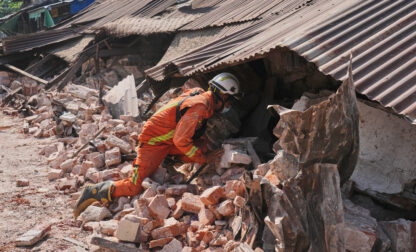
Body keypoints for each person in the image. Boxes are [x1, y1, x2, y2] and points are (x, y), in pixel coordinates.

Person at [73, 72, 241, 218]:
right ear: (223, 96)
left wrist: (201, 153)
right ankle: (93, 191)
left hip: (166, 140)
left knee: (201, 145)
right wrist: (204, 159)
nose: (229, 106)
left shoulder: (200, 95)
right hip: (153, 141)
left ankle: (167, 161)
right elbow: (181, 140)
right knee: (134, 187)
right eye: (230, 101)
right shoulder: (200, 106)